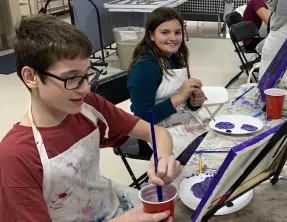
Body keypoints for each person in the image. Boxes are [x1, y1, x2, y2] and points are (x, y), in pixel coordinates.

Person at [0, 14, 181, 222]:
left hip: (110, 202)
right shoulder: (16, 158)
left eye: (86, 75)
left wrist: (162, 157)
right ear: (31, 77)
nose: (85, 88)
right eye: (72, 78)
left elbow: (157, 132)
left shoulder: (89, 107)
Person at [127, 7, 208, 158]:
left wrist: (194, 101)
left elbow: (184, 106)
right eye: (165, 32)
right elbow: (143, 118)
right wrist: (179, 96)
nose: (173, 38)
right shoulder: (144, 68)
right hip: (154, 132)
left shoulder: (174, 58)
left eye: (177, 32)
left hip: (179, 123)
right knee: (205, 158)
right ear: (151, 35)